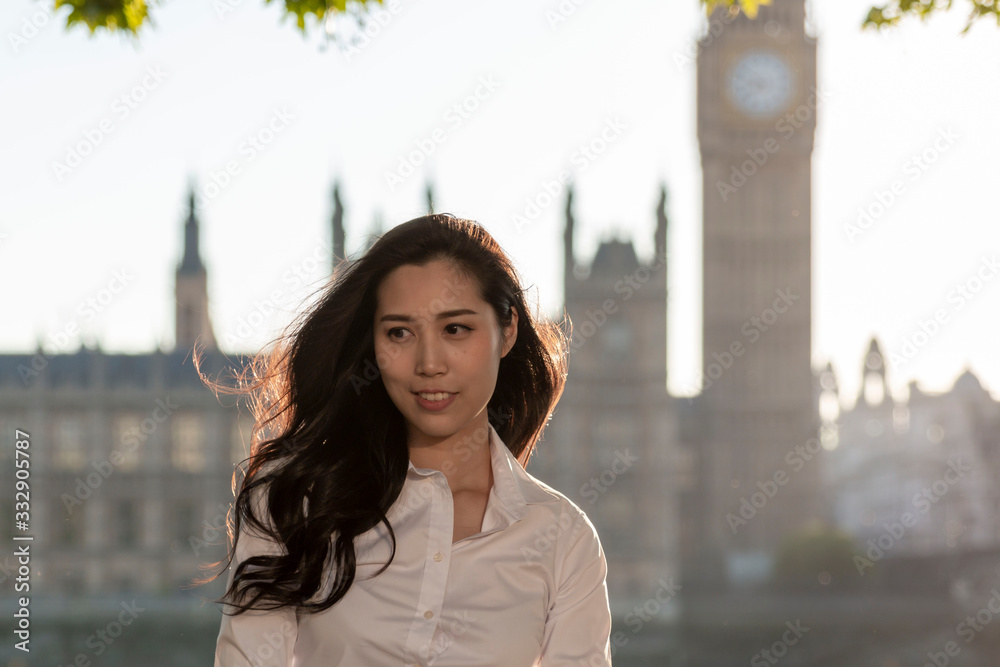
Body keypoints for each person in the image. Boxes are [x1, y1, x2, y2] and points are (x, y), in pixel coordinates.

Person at [205, 213, 613, 666]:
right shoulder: (292, 500)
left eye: (455, 329)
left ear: (508, 330)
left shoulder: (563, 539)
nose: (429, 364)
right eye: (399, 333)